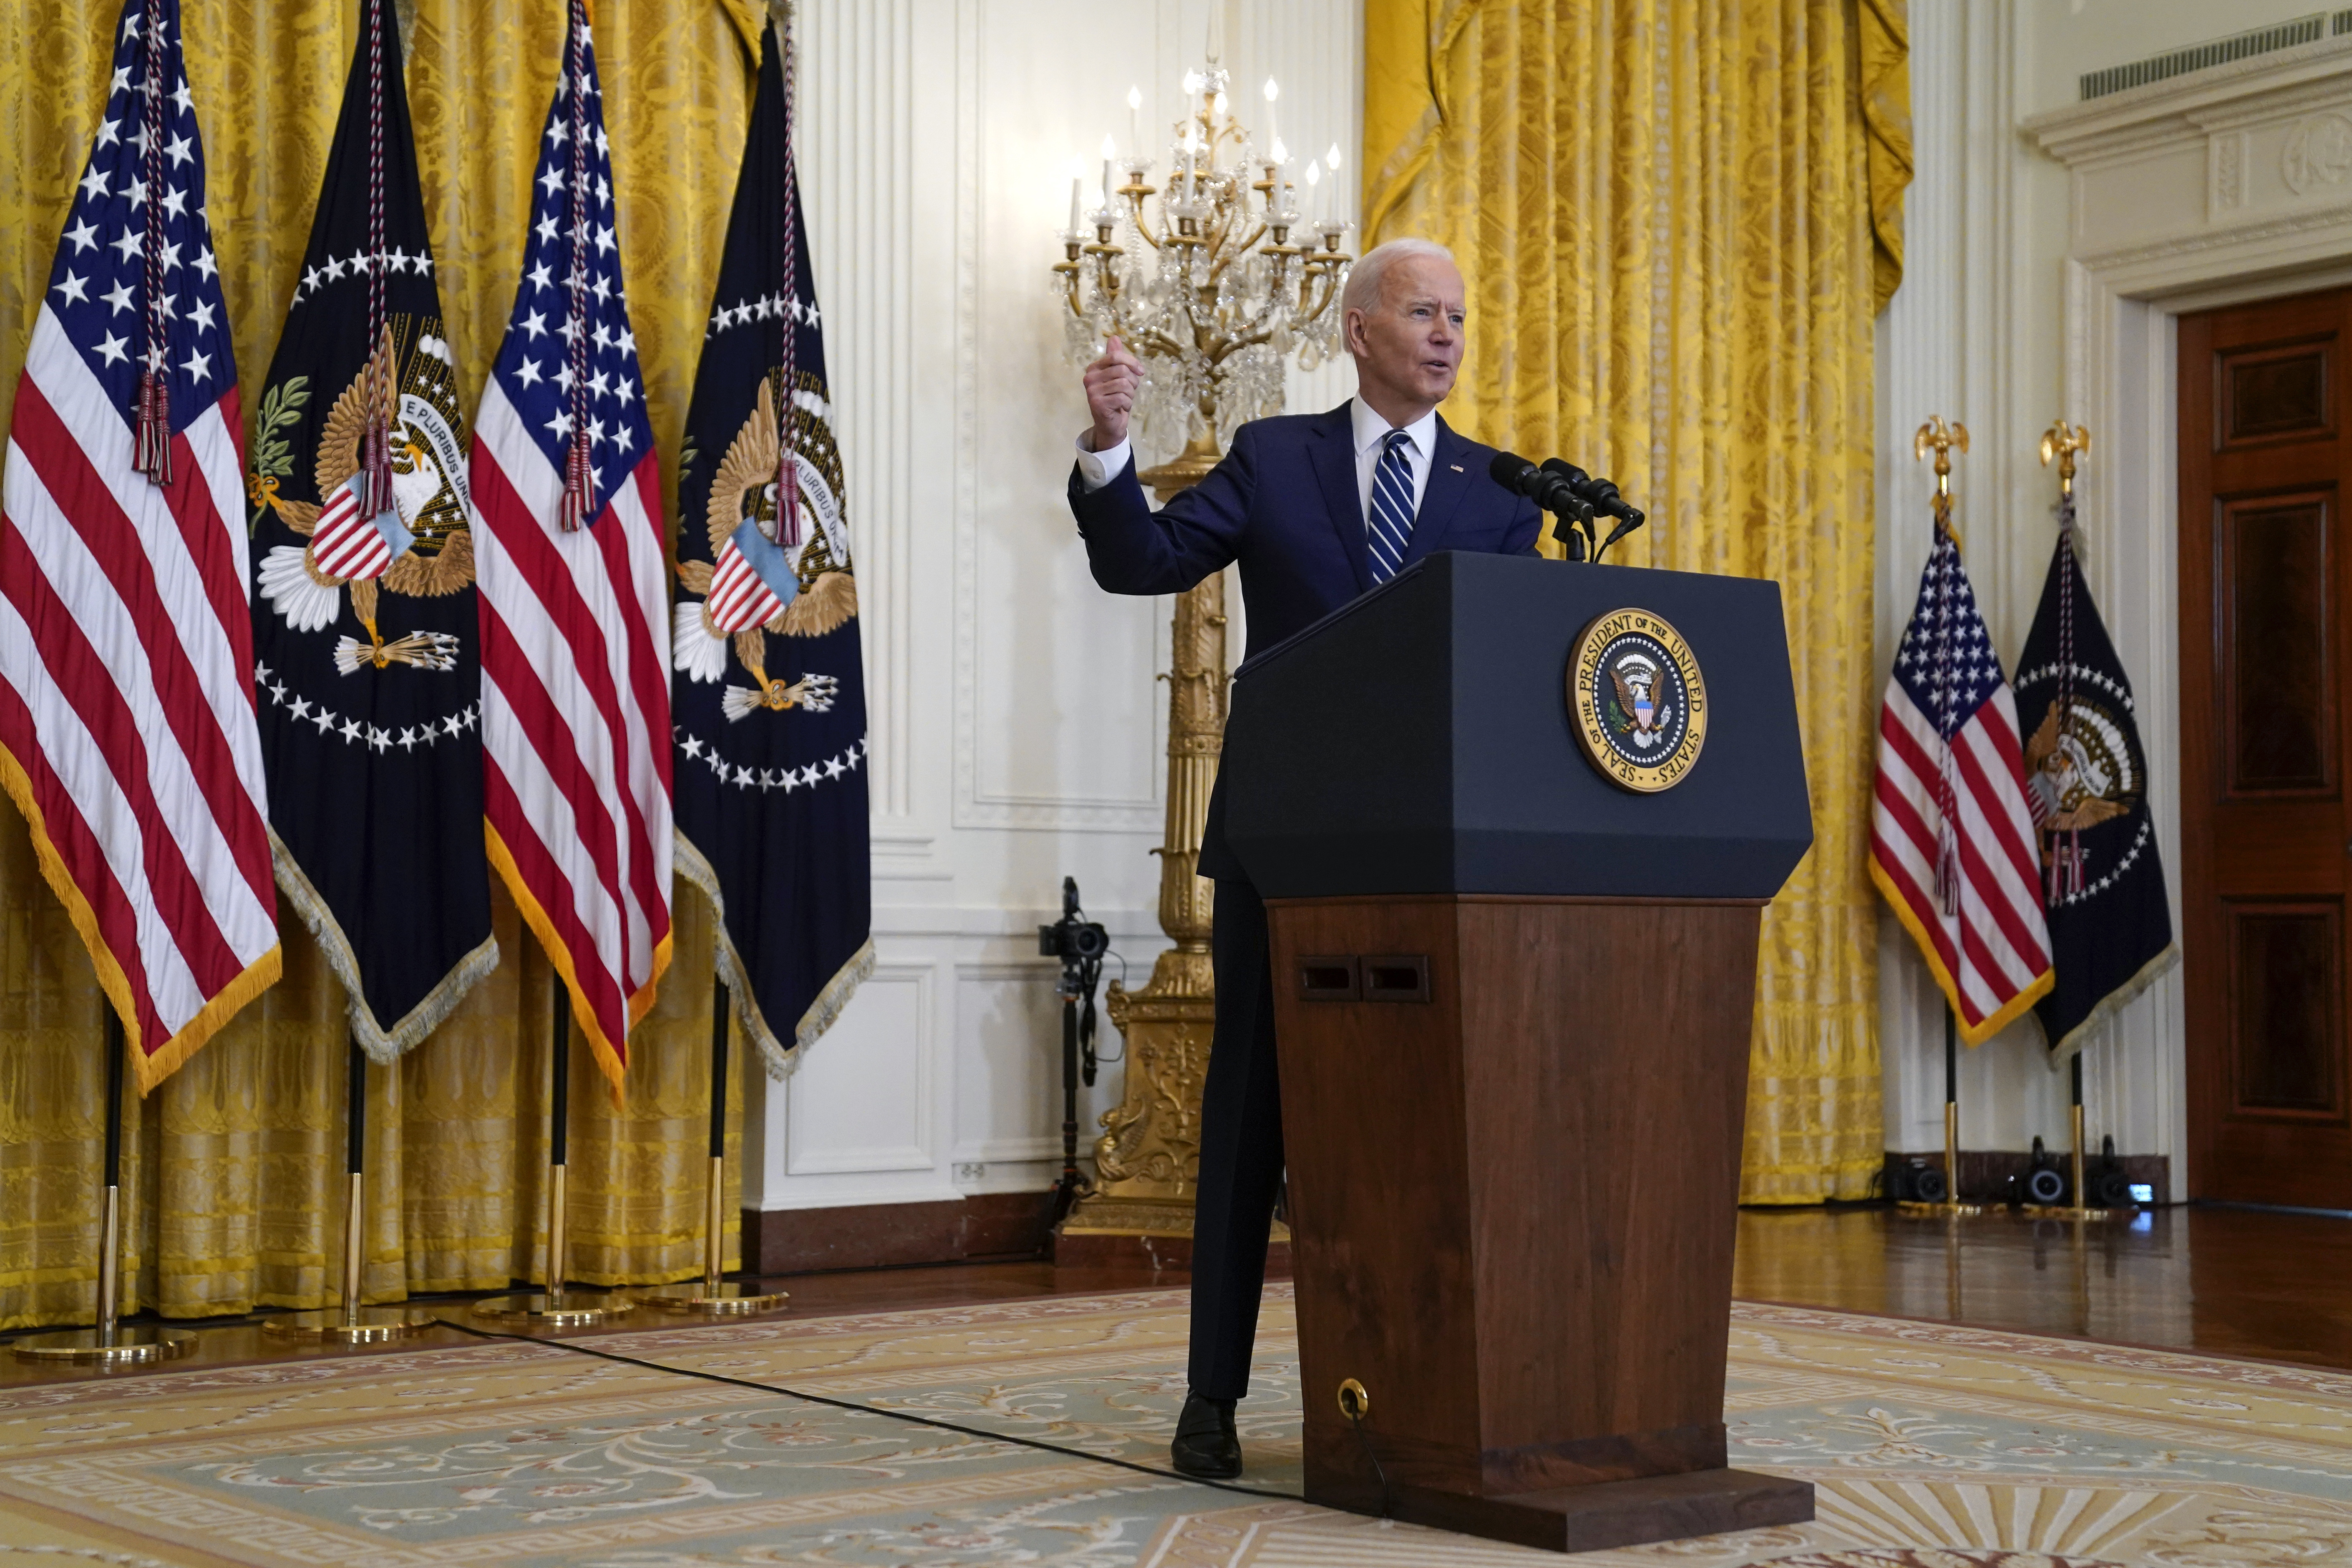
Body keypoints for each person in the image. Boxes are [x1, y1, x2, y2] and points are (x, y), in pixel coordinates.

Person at [1066, 237, 1543, 1479]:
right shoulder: (1279, 459)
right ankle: (1211, 1401)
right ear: (1359, 331)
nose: (1445, 333)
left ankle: (1436, 1390)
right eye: (1422, 312)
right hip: (1286, 844)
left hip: (1439, 854)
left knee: (1428, 1120)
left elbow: (1518, 667)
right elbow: (1144, 563)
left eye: (1458, 314)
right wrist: (1111, 446)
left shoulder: (1504, 493)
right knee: (1251, 1118)